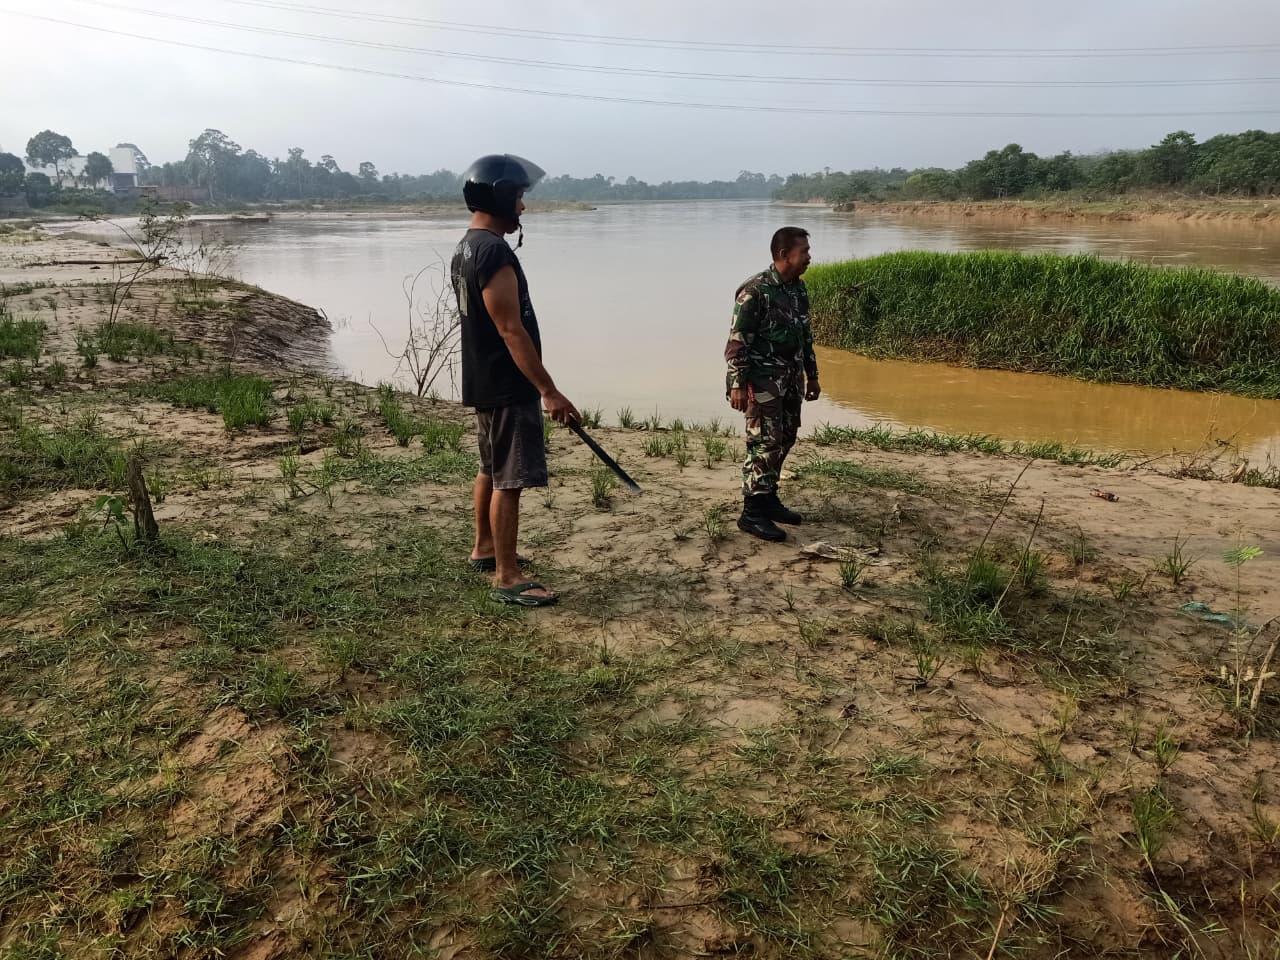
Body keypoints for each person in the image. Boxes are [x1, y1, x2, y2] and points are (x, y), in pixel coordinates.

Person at [450, 153, 578, 606]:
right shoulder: (493, 251)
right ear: (501, 196)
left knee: (490, 468)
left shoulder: (466, 246)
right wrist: (549, 390)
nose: (523, 206)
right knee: (510, 479)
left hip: (484, 380)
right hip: (507, 385)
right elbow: (510, 329)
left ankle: (485, 548)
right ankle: (507, 576)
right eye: (519, 196)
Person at [724, 226, 821, 542]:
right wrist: (737, 385)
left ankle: (768, 498)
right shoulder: (755, 291)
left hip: (791, 379)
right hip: (762, 382)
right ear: (784, 255)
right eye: (804, 252)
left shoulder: (797, 289)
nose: (809, 257)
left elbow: (805, 336)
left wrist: (812, 375)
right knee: (764, 443)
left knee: (786, 438)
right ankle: (752, 513)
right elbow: (737, 343)